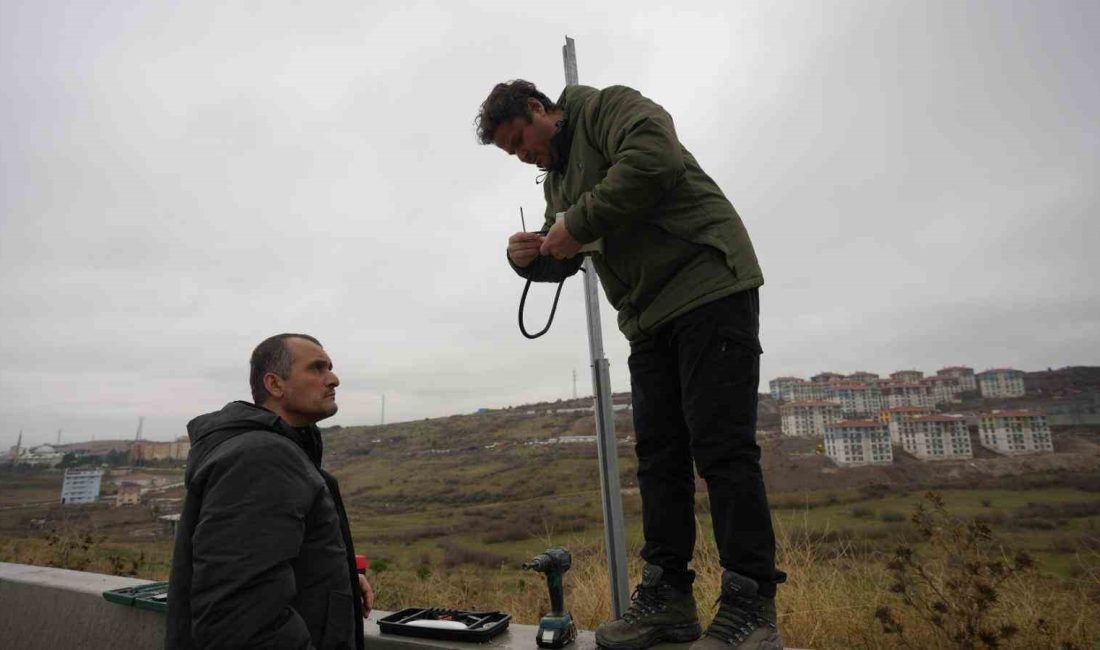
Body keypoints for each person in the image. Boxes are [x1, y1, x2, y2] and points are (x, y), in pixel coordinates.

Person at [476, 81, 786, 650]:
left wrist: (576, 223)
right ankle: (668, 599)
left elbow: (654, 160)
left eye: (522, 141)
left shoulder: (608, 108)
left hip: (709, 287)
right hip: (647, 319)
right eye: (514, 156)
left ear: (539, 109)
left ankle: (751, 608)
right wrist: (530, 256)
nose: (525, 157)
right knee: (660, 459)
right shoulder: (559, 181)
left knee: (721, 450)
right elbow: (566, 250)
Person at [166, 333, 373, 649]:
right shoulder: (261, 457)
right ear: (275, 385)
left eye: (330, 368)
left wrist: (335, 579)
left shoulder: (274, 452)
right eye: (317, 368)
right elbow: (240, 614)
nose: (333, 379)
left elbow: (263, 559)